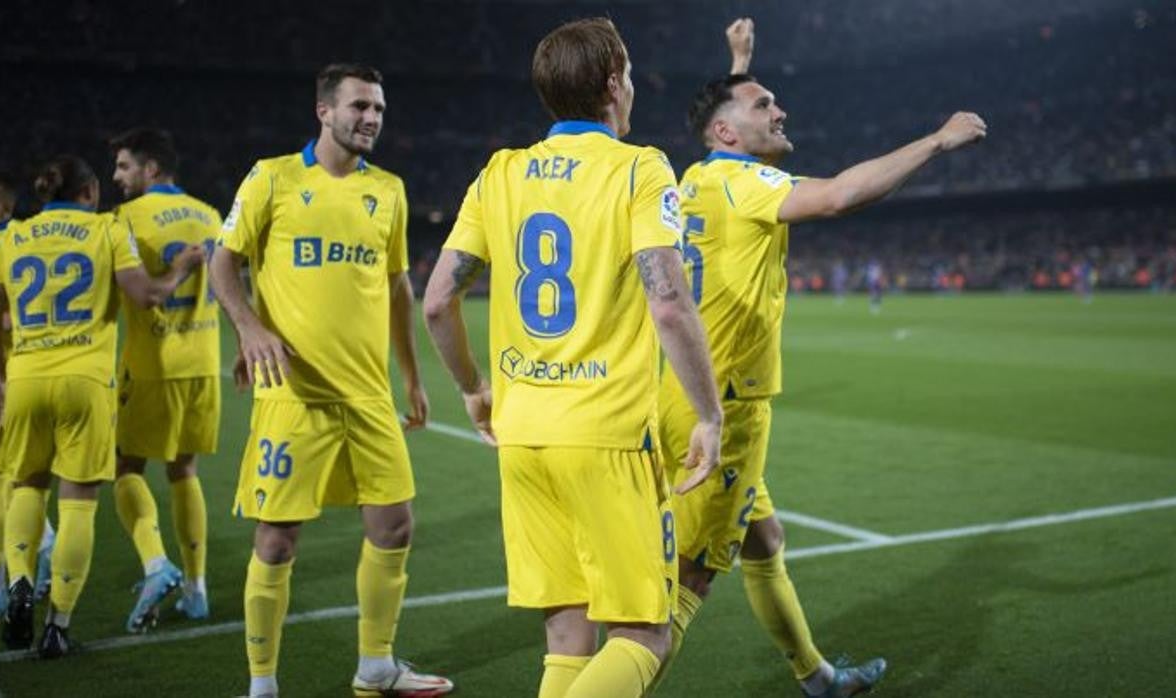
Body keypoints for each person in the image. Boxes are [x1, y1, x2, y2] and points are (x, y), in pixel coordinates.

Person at [656, 18, 986, 697]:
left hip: (675, 392)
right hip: (726, 408)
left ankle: (817, 678)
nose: (780, 111)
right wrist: (936, 141)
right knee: (689, 582)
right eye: (763, 105)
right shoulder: (747, 185)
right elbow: (838, 195)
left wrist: (740, 64)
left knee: (764, 540)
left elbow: (723, 117)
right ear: (726, 133)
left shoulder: (695, 177)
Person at [424, 18, 723, 698]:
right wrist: (706, 413)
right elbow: (669, 301)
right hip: (606, 435)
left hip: (523, 436)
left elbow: (439, 300)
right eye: (634, 73)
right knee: (645, 634)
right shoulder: (639, 167)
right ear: (615, 83)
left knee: (567, 632)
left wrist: (473, 388)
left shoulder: (499, 172)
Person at [208, 63, 452, 698]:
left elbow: (399, 286)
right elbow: (223, 264)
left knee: (395, 524)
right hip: (295, 396)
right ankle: (262, 684)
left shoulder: (390, 191)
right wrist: (249, 328)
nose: (371, 117)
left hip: (368, 396)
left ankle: (375, 665)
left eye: (378, 108)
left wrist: (412, 376)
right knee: (279, 538)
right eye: (359, 106)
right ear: (324, 111)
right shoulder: (273, 178)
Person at [0, 155, 203, 657]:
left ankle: (18, 581)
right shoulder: (105, 229)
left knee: (26, 486)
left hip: (26, 379)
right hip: (85, 382)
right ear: (90, 192)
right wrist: (181, 270)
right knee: (78, 500)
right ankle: (57, 625)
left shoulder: (13, 236)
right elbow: (146, 295)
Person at [108, 127, 222, 631]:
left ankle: (157, 565)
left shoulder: (125, 218)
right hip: (203, 361)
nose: (116, 176)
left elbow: (134, 292)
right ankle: (197, 590)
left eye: (124, 166)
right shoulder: (211, 215)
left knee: (126, 467)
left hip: (152, 364)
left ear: (151, 168)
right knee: (185, 470)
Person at [0, 171, 57, 615]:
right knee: (13, 478)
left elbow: (1, 323)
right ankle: (37, 558)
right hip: (4, 377)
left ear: (4, 207)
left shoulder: (4, 244)